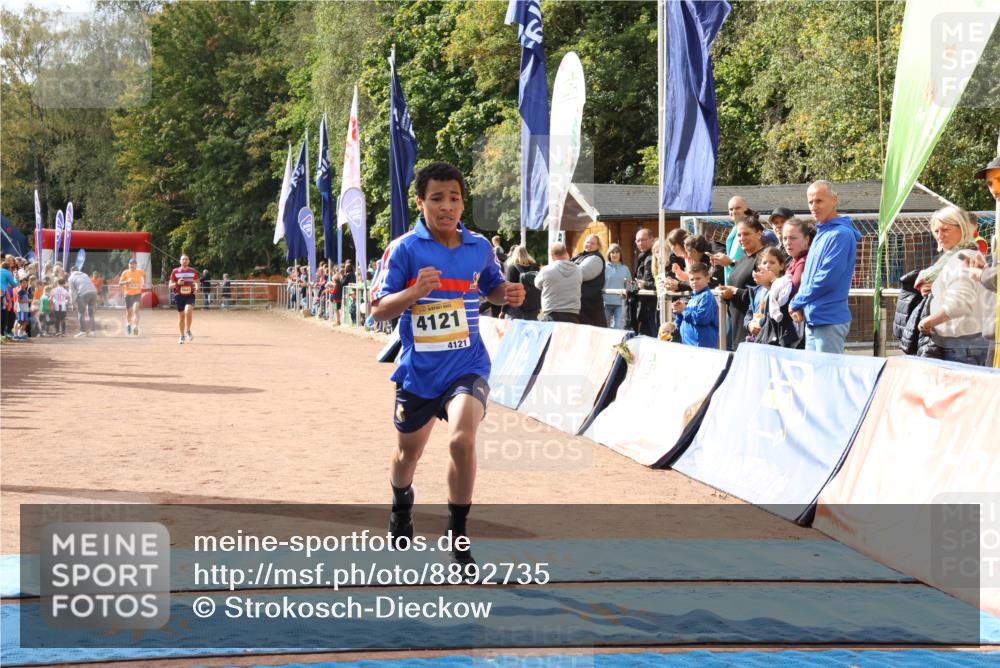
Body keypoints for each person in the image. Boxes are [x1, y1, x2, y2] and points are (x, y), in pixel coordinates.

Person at [369, 161, 524, 568]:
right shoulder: (404, 249)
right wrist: (415, 290)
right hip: (420, 372)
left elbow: (490, 284)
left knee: (462, 439)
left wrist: (505, 293)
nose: (446, 207)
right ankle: (402, 505)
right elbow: (378, 311)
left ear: (462, 202)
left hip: (468, 364)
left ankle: (457, 537)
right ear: (420, 203)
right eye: (436, 198)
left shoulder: (479, 247)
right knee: (407, 456)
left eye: (454, 198)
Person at [788, 181, 860, 354]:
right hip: (815, 319)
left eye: (819, 201)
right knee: (815, 378)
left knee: (827, 378)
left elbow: (827, 279)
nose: (814, 206)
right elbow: (809, 278)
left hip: (829, 320)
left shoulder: (840, 234)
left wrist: (797, 301)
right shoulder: (823, 232)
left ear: (834, 200)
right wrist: (801, 304)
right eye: (810, 202)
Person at [915, 206, 989, 366]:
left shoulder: (963, 257)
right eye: (936, 231)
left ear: (962, 227)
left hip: (961, 346)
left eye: (945, 230)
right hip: (965, 344)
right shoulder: (961, 255)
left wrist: (928, 322)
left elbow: (958, 304)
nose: (940, 236)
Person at [718, 215, 768, 350]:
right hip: (737, 327)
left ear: (759, 233)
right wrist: (726, 293)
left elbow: (765, 295)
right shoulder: (742, 260)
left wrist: (735, 292)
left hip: (754, 331)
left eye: (746, 234)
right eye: (739, 235)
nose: (742, 238)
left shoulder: (764, 259)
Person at [670, 262, 718, 348]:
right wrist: (678, 312)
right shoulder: (694, 297)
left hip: (702, 346)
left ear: (707, 278)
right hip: (690, 345)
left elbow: (702, 318)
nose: (694, 282)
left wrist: (684, 310)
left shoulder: (707, 296)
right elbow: (681, 321)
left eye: (698, 278)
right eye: (691, 279)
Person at [535, 242, 583, 323]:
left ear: (552, 256)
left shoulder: (546, 270)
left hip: (552, 313)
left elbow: (537, 284)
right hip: (573, 314)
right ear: (566, 253)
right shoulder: (578, 270)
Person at [571, 234, 606, 327]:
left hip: (590, 306)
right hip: (581, 304)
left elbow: (580, 274)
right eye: (587, 242)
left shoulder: (596, 258)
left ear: (598, 246)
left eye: (593, 243)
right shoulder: (580, 256)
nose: (589, 245)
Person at [503, 245, 541, 321]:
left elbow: (508, 292)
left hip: (516, 309)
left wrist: (503, 311)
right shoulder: (536, 268)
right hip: (533, 308)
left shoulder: (512, 268)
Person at [632, 228, 658, 337]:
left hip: (653, 305)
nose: (640, 243)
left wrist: (644, 284)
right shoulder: (642, 257)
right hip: (644, 305)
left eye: (643, 240)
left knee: (653, 336)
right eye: (638, 240)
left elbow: (653, 282)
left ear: (652, 240)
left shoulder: (653, 257)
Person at [169, 254, 199, 344]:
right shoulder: (175, 271)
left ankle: (188, 330)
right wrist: (177, 283)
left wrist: (197, 288)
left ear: (189, 261)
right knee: (181, 317)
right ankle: (182, 336)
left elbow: (197, 282)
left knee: (188, 310)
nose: (185, 261)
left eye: (186, 259)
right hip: (179, 296)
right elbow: (170, 285)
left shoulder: (193, 271)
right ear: (180, 261)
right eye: (183, 259)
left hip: (190, 295)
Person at [603, 243, 631, 329]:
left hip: (620, 303)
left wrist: (627, 293)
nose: (614, 254)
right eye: (612, 252)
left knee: (619, 327)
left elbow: (629, 285)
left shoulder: (625, 268)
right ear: (609, 254)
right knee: (605, 327)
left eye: (617, 252)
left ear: (620, 254)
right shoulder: (603, 267)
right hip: (605, 303)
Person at [68, 266, 98, 337]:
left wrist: (73, 303)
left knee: (81, 313)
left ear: (71, 272)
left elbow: (72, 292)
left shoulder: (71, 278)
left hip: (83, 293)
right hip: (93, 292)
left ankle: (82, 331)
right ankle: (93, 332)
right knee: (91, 313)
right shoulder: (85, 274)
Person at [118, 258, 145, 336]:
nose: (132, 265)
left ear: (136, 265)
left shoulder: (140, 272)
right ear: (128, 265)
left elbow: (144, 275)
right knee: (129, 312)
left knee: (136, 310)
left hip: (137, 294)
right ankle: (128, 324)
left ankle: (136, 326)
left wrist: (143, 283)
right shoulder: (125, 273)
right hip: (128, 294)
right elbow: (120, 284)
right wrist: (127, 281)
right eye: (130, 264)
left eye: (133, 264)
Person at [1, 256, 19, 341]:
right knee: (4, 313)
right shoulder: (8, 272)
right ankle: (3, 333)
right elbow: (15, 284)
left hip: (8, 294)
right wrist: (16, 277)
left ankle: (5, 332)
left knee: (7, 312)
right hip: (4, 295)